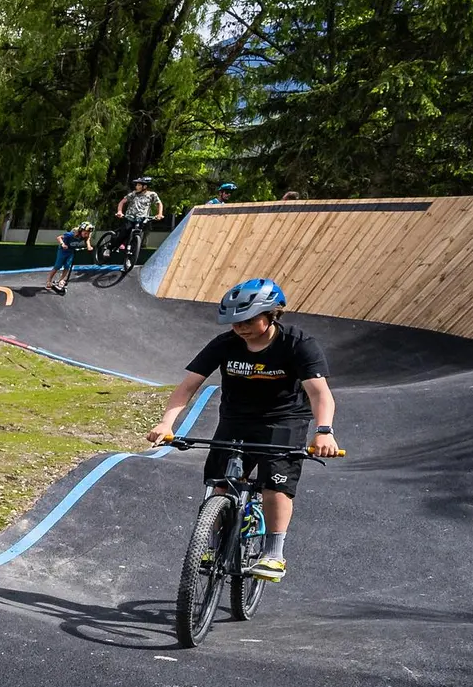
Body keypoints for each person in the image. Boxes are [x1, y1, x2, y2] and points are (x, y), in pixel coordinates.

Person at [145, 278, 343, 582]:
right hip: (236, 418)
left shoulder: (298, 344)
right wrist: (166, 423)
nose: (240, 328)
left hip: (283, 420)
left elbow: (319, 394)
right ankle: (210, 544)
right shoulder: (225, 344)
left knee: (274, 484)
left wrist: (324, 431)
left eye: (248, 320)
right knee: (220, 483)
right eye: (234, 322)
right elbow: (188, 386)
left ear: (272, 314)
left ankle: (274, 553)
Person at [114, 177, 163, 256]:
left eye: (139, 185)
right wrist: (119, 211)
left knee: (137, 235)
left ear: (145, 186)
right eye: (136, 185)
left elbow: (159, 203)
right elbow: (122, 202)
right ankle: (109, 248)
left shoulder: (152, 195)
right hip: (130, 217)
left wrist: (160, 214)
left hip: (141, 218)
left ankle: (130, 255)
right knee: (124, 233)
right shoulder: (133, 194)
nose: (136, 186)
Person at [42, 221, 93, 294]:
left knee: (67, 266)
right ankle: (48, 281)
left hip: (71, 252)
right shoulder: (70, 235)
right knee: (58, 266)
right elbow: (59, 237)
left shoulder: (84, 236)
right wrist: (62, 244)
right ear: (81, 230)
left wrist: (89, 246)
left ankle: (61, 281)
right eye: (85, 233)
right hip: (63, 251)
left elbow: (87, 239)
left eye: (88, 233)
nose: (86, 235)